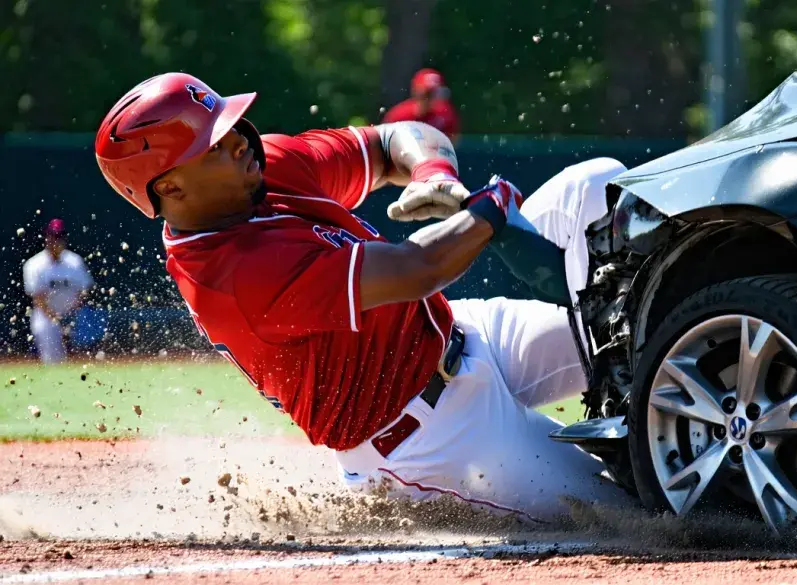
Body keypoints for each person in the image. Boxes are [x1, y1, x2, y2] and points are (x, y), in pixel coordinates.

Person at [93, 72, 630, 522]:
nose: (240, 141)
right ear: (171, 188)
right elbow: (419, 267)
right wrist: (489, 210)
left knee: (598, 186)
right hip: (429, 438)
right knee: (639, 511)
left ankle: (644, 380)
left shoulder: (262, 167)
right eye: (215, 144)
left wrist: (432, 171)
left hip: (464, 334)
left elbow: (392, 139)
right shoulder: (231, 277)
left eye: (231, 125)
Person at [22, 219, 94, 364]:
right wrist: (57, 319)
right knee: (53, 362)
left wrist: (71, 315)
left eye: (60, 236)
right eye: (53, 236)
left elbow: (84, 291)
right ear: (46, 238)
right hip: (47, 318)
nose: (57, 240)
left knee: (84, 360)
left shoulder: (75, 261)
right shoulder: (35, 264)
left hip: (74, 316)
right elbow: (38, 298)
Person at [382, 68, 461, 142]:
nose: (430, 99)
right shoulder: (399, 116)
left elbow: (453, 141)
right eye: (427, 94)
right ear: (415, 92)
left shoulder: (445, 114)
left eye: (434, 94)